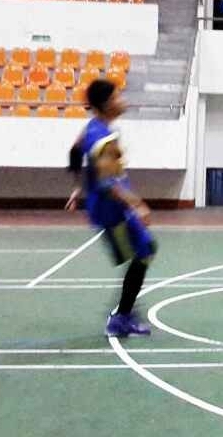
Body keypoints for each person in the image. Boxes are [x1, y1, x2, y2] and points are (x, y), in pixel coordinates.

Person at [64, 79, 156, 338]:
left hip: (112, 205)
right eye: (117, 97)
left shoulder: (93, 129)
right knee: (144, 251)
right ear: (106, 104)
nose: (122, 100)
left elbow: (75, 150)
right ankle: (120, 318)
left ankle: (125, 311)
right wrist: (138, 205)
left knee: (144, 251)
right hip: (111, 209)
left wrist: (79, 187)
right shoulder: (103, 139)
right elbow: (108, 184)